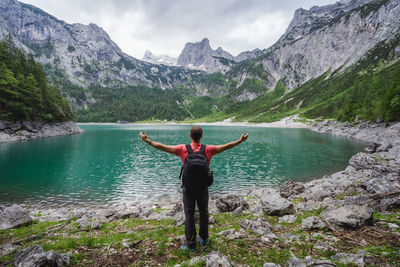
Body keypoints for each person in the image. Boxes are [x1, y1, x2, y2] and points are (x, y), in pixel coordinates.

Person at [140, 126, 248, 251]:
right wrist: (240, 141)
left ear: (190, 136)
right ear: (201, 136)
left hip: (188, 188)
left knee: (189, 213)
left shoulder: (182, 149)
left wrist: (148, 141)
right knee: (204, 212)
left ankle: (191, 244)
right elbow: (225, 146)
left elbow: (163, 147)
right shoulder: (208, 149)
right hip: (203, 188)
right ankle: (204, 239)